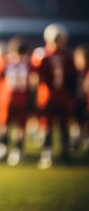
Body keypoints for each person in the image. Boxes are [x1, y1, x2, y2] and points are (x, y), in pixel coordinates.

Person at [36, 23, 77, 169]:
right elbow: (73, 78)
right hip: (64, 95)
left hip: (47, 95)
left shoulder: (41, 54)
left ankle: (48, 154)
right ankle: (65, 154)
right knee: (63, 125)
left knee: (47, 125)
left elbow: (36, 77)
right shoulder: (68, 55)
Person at [0, 37, 32, 166]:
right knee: (21, 127)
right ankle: (18, 152)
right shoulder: (28, 64)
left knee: (3, 125)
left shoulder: (4, 62)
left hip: (7, 99)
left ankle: (3, 149)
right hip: (23, 98)